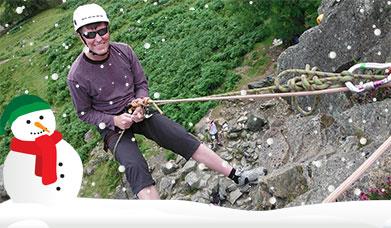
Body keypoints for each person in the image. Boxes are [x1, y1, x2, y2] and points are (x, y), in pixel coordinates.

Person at [67, 3, 267, 200]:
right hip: (112, 126)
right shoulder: (77, 75)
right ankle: (161, 217)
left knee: (179, 136)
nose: (99, 38)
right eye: (90, 34)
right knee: (134, 166)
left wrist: (139, 102)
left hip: (137, 109)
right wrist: (114, 121)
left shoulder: (124, 52)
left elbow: (141, 83)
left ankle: (237, 175)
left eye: (102, 30)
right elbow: (84, 113)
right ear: (81, 37)